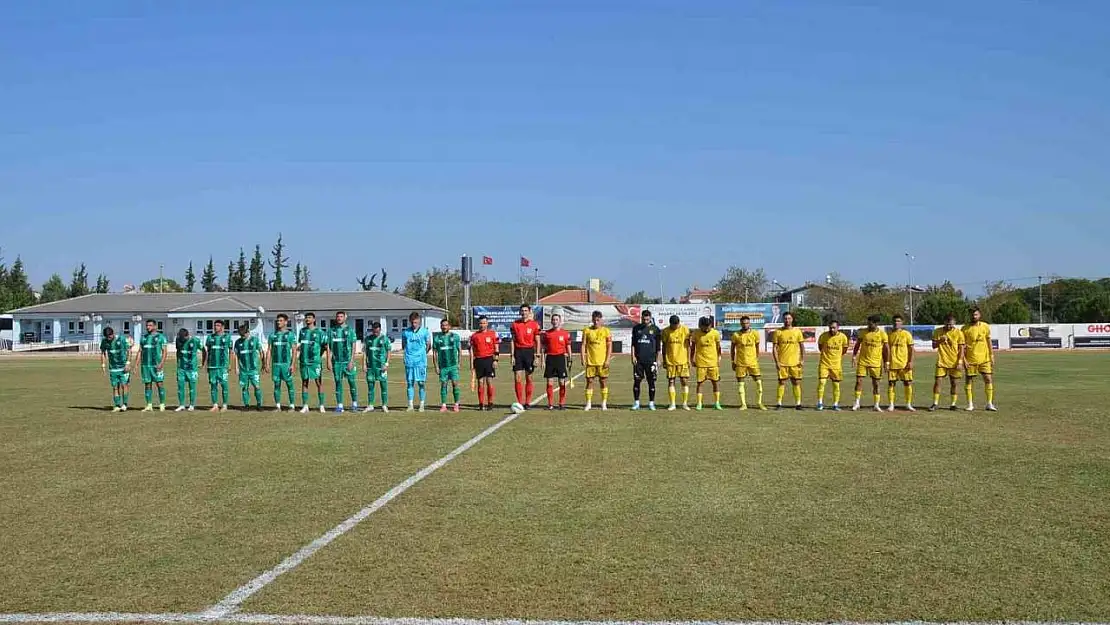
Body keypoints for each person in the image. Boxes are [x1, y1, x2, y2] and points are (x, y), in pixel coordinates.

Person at [852, 314, 889, 412]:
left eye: (870, 323)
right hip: (863, 362)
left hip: (876, 363)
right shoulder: (863, 332)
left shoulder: (882, 334)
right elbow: (857, 345)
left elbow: (886, 349)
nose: (868, 325)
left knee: (876, 383)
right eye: (868, 323)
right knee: (859, 381)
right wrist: (854, 356)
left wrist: (886, 362)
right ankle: (857, 403)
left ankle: (876, 405)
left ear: (876, 324)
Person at [962, 307, 997, 411]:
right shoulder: (964, 329)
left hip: (984, 359)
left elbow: (988, 341)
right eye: (972, 315)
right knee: (969, 381)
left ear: (979, 315)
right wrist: (964, 360)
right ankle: (970, 404)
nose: (974, 316)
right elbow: (962, 346)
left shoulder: (985, 326)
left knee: (988, 378)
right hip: (970, 359)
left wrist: (991, 355)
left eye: (976, 314)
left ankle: (989, 403)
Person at [930, 314, 966, 411]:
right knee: (937, 382)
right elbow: (933, 346)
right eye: (948, 324)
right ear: (944, 322)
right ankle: (935, 403)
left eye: (951, 325)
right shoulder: (938, 331)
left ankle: (953, 404)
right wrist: (940, 341)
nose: (949, 326)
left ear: (954, 324)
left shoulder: (959, 333)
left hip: (954, 362)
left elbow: (961, 348)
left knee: (954, 383)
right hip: (941, 361)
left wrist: (960, 361)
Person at [730, 315, 765, 410]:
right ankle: (743, 404)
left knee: (758, 382)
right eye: (743, 323)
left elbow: (757, 346)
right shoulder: (736, 335)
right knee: (741, 383)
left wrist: (756, 358)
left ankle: (759, 403)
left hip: (753, 362)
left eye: (747, 323)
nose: (745, 325)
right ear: (740, 324)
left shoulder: (755, 333)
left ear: (749, 323)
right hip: (740, 363)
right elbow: (732, 349)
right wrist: (733, 361)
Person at [772, 311, 805, 410]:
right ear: (783, 319)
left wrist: (802, 359)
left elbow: (802, 346)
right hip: (782, 363)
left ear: (792, 319)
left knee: (796, 382)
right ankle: (779, 404)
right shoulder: (778, 332)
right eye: (785, 318)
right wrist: (777, 362)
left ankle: (798, 404)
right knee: (781, 382)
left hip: (795, 363)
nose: (787, 320)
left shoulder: (797, 331)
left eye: (789, 318)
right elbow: (774, 348)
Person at [510, 304, 541, 409]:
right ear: (520, 312)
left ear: (529, 312)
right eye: (522, 311)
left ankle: (527, 402)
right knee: (517, 378)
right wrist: (512, 355)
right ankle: (519, 402)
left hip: (529, 352)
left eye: (526, 310)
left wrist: (537, 356)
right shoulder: (515, 324)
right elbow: (513, 341)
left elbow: (537, 341)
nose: (524, 312)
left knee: (529, 378)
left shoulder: (534, 325)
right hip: (518, 352)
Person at [297, 312, 328, 413]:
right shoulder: (302, 331)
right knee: (304, 382)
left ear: (314, 319)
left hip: (315, 362)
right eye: (306, 318)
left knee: (318, 382)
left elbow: (325, 346)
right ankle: (305, 406)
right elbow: (301, 345)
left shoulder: (320, 332)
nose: (307, 319)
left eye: (309, 318)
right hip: (304, 361)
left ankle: (321, 405)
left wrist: (319, 355)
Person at [328, 311, 358, 413]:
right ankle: (340, 405)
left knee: (352, 382)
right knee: (338, 382)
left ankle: (354, 404)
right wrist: (328, 360)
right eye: (338, 316)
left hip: (347, 361)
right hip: (336, 362)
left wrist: (352, 361)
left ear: (345, 317)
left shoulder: (350, 330)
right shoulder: (332, 331)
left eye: (341, 316)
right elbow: (329, 346)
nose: (339, 318)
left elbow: (354, 346)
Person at [581, 310, 612, 411]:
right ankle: (588, 403)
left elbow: (609, 346)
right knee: (589, 381)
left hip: (602, 362)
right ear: (592, 320)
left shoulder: (606, 331)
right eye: (594, 320)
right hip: (591, 361)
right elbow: (583, 345)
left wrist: (607, 360)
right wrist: (582, 357)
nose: (596, 322)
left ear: (601, 320)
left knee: (603, 381)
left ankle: (604, 403)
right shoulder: (587, 330)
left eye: (598, 320)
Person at [690, 316, 723, 411]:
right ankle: (699, 403)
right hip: (701, 363)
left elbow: (718, 347)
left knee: (715, 383)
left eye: (709, 326)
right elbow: (693, 348)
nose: (708, 328)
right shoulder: (696, 333)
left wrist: (719, 357)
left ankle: (717, 403)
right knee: (700, 383)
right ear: (701, 326)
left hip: (713, 363)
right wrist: (691, 359)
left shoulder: (715, 333)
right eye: (706, 327)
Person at [630, 310, 661, 410]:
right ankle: (636, 403)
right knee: (637, 381)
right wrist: (633, 356)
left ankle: (651, 403)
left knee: (651, 382)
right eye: (643, 319)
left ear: (650, 318)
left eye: (647, 319)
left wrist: (658, 360)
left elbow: (658, 348)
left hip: (651, 360)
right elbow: (633, 344)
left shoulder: (655, 329)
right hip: (638, 360)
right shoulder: (636, 328)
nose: (645, 321)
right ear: (641, 318)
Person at [402, 312, 432, 411]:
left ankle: (422, 404)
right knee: (410, 383)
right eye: (412, 322)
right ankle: (410, 404)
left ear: (419, 321)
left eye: (416, 322)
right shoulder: (406, 332)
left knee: (421, 383)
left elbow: (428, 345)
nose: (414, 324)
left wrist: (422, 354)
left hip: (421, 362)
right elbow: (404, 345)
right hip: (409, 361)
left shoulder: (424, 332)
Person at [660, 314, 692, 410]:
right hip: (671, 361)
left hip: (683, 361)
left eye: (677, 324)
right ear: (670, 324)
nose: (676, 326)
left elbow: (688, 346)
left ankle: (685, 403)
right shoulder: (666, 331)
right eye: (674, 325)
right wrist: (664, 360)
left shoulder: (685, 330)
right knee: (671, 381)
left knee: (684, 381)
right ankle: (672, 404)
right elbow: (664, 347)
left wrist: (688, 359)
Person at [816, 320, 849, 411]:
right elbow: (820, 347)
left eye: (834, 327)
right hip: (824, 363)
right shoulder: (823, 336)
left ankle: (835, 404)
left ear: (838, 328)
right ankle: (819, 403)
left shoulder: (843, 337)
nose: (832, 329)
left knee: (836, 385)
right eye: (830, 327)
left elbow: (844, 349)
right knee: (822, 383)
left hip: (836, 365)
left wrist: (837, 357)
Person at [540, 313, 572, 410]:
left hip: (560, 358)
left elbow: (568, 347)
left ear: (560, 321)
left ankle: (561, 403)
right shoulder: (547, 334)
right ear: (551, 321)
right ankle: (550, 404)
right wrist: (542, 361)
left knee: (562, 382)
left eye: (556, 320)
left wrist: (570, 359)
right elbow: (543, 348)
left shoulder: (565, 333)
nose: (555, 321)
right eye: (553, 320)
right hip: (550, 358)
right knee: (549, 382)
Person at [137, 319, 168, 412]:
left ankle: (162, 404)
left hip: (156, 365)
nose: (148, 327)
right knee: (147, 385)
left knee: (159, 384)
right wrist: (136, 365)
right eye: (147, 325)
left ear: (155, 326)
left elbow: (165, 352)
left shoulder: (161, 337)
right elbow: (140, 351)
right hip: (146, 365)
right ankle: (149, 405)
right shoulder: (143, 338)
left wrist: (161, 363)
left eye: (150, 325)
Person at [469, 315, 500, 410]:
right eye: (481, 323)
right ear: (479, 324)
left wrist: (495, 360)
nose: (482, 325)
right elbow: (471, 350)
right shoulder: (474, 336)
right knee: (480, 382)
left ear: (487, 323)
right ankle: (481, 404)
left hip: (489, 359)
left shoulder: (492, 334)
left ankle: (490, 403)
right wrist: (471, 363)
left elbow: (496, 348)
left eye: (484, 323)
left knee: (489, 382)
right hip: (478, 360)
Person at [268, 313, 297, 411]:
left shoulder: (290, 335)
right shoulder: (272, 335)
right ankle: (277, 406)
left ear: (286, 322)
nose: (278, 322)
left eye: (280, 320)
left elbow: (294, 350)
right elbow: (269, 350)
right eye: (277, 321)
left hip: (286, 364)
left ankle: (292, 405)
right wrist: (267, 363)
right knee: (276, 384)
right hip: (275, 364)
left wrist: (292, 364)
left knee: (289, 384)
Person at [886, 314, 916, 411]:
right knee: (891, 384)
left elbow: (911, 349)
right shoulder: (889, 335)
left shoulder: (907, 334)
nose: (896, 323)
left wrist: (910, 361)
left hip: (904, 364)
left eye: (898, 321)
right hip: (892, 364)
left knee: (908, 383)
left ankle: (908, 404)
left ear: (902, 323)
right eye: (895, 321)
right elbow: (886, 350)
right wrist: (886, 362)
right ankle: (891, 404)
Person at [433, 318, 462, 412]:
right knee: (444, 384)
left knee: (455, 384)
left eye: (446, 325)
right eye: (442, 325)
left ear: (449, 326)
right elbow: (434, 353)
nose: (444, 327)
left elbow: (459, 350)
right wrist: (436, 366)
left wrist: (459, 363)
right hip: (443, 366)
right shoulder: (437, 338)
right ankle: (444, 405)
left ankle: (456, 404)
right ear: (440, 326)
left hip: (453, 365)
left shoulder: (455, 336)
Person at [203, 320, 232, 412]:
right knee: (213, 385)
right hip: (212, 366)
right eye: (215, 325)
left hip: (223, 366)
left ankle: (224, 405)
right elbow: (207, 351)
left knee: (224, 385)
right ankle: (215, 405)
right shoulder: (210, 337)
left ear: (223, 327)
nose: (216, 327)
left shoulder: (227, 337)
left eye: (218, 325)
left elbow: (231, 352)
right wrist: (206, 364)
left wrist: (230, 364)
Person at [100, 326, 131, 411]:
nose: (109, 339)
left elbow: (129, 350)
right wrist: (103, 364)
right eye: (107, 337)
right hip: (113, 368)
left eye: (110, 337)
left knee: (124, 385)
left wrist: (128, 363)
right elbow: (103, 353)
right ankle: (117, 405)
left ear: (113, 334)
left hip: (123, 367)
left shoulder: (121, 339)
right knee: (115, 387)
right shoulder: (104, 341)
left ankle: (124, 404)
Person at [234, 323, 264, 410]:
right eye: (241, 335)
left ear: (248, 332)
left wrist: (263, 363)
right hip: (243, 370)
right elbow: (236, 355)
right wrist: (236, 367)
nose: (242, 336)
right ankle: (246, 405)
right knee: (244, 387)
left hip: (253, 369)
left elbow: (261, 352)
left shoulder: (255, 340)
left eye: (244, 334)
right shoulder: (238, 342)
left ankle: (259, 404)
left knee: (257, 386)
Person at [363, 321, 391, 412]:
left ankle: (384, 405)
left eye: (377, 332)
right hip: (371, 366)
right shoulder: (368, 339)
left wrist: (387, 363)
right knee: (370, 386)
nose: (376, 333)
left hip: (381, 367)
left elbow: (389, 351)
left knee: (383, 386)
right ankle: (370, 405)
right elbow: (365, 352)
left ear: (380, 329)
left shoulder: (385, 339)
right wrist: (364, 364)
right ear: (372, 330)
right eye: (374, 331)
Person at [174, 328, 203, 411]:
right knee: (180, 387)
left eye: (184, 338)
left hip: (192, 369)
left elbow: (204, 350)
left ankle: (191, 405)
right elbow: (178, 351)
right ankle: (181, 405)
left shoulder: (195, 340)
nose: (182, 340)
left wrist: (203, 363)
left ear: (188, 335)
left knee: (192, 387)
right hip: (181, 368)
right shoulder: (178, 340)